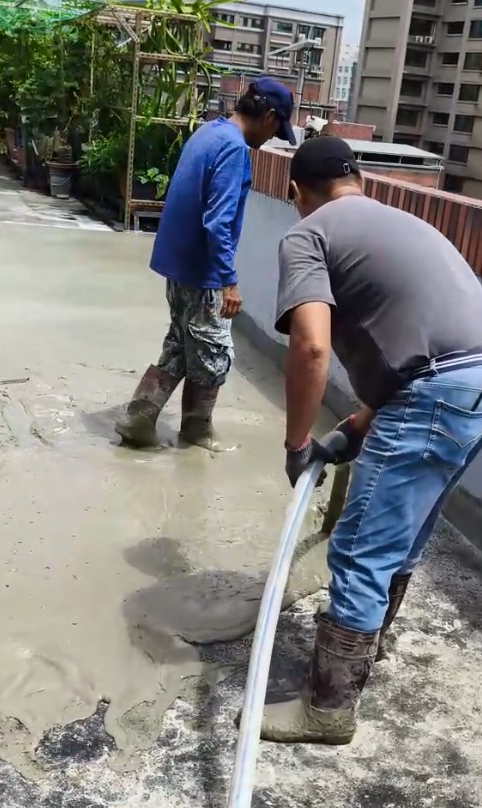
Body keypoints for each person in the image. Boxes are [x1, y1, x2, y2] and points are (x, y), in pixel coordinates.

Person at [264, 135, 482, 745]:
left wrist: (297, 443)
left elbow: (311, 346)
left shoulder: (309, 234)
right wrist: (361, 423)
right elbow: (431, 340)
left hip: (433, 392)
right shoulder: (403, 222)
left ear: (297, 192)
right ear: (356, 179)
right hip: (473, 385)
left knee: (361, 549)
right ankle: (369, 645)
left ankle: (327, 711)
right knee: (402, 532)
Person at [115, 78, 297, 450]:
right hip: (203, 271)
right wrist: (228, 281)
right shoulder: (234, 149)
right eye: (276, 130)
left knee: (180, 344)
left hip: (179, 265)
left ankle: (138, 419)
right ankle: (197, 429)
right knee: (213, 349)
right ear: (268, 116)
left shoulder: (208, 133)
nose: (271, 139)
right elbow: (218, 222)